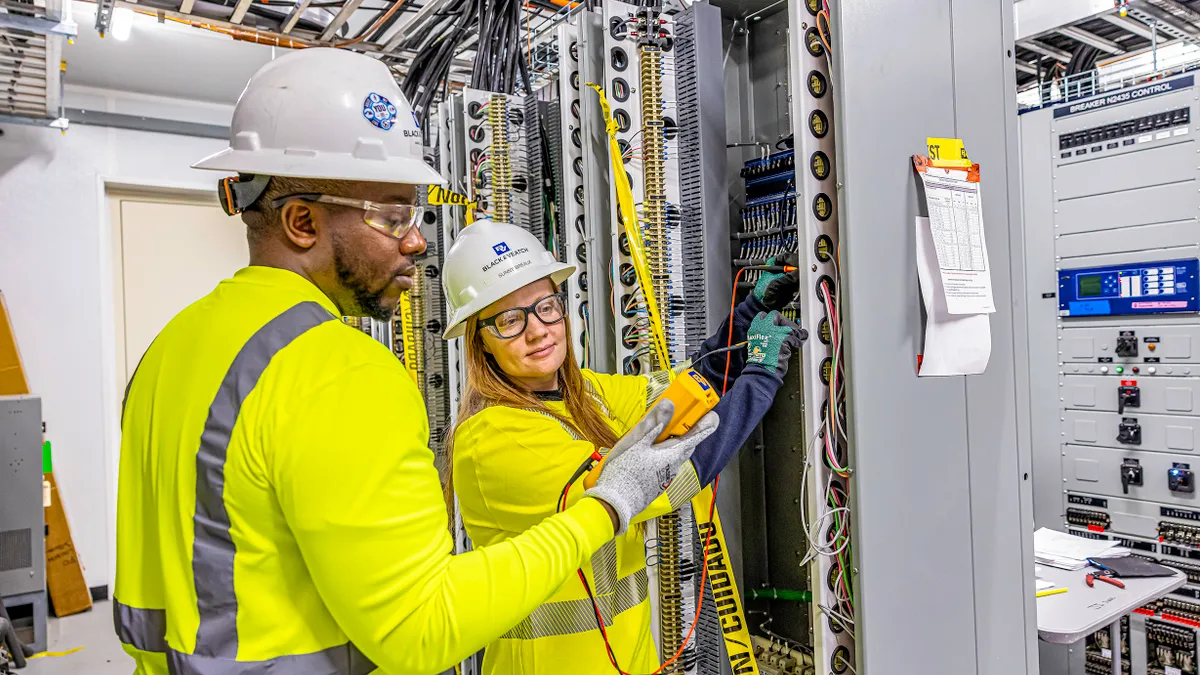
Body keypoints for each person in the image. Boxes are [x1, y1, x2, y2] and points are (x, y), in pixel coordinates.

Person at [113, 48, 715, 675]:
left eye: (415, 215)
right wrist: (608, 506)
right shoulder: (341, 370)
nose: (417, 240)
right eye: (392, 216)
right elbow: (422, 630)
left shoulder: (169, 347)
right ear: (300, 221)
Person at [441, 220, 807, 675]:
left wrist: (748, 316)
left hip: (629, 661)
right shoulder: (494, 439)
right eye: (510, 320)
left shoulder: (583, 393)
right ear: (480, 342)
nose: (538, 331)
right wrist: (761, 377)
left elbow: (680, 397)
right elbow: (654, 481)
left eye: (546, 308)